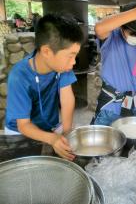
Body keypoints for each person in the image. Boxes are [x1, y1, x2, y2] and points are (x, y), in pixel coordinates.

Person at [5, 14, 83, 160]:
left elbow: (67, 100)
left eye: (75, 56)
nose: (73, 62)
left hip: (47, 126)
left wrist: (66, 135)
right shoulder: (19, 76)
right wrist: (53, 139)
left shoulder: (63, 66)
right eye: (70, 56)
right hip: (19, 132)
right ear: (47, 51)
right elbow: (23, 125)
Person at [91, 0, 136, 126]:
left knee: (129, 144)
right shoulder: (112, 39)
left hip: (134, 107)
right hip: (110, 109)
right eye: (134, 33)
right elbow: (99, 28)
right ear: (122, 27)